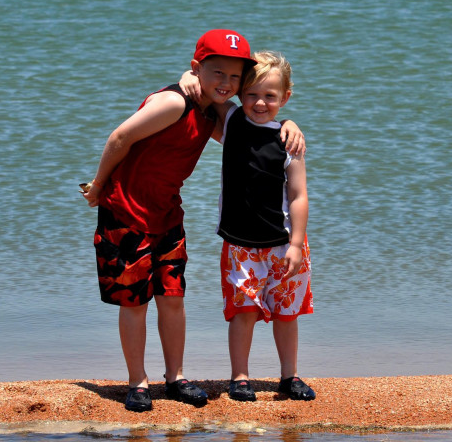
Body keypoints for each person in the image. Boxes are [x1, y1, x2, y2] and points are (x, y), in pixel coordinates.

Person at [81, 30, 304, 412]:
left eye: (235, 78)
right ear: (197, 68)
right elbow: (120, 137)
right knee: (134, 302)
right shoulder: (174, 103)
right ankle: (138, 381)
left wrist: (289, 124)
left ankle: (175, 377)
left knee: (173, 298)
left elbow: (249, 138)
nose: (226, 83)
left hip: (168, 213)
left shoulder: (211, 111)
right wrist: (99, 185)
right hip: (126, 212)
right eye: (217, 73)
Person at [180, 51, 315, 402]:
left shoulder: (289, 142)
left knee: (286, 314)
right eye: (252, 94)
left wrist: (297, 245)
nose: (260, 103)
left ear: (285, 98)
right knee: (243, 312)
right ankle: (239, 377)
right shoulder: (232, 123)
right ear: (240, 94)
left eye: (270, 96)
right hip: (240, 245)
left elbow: (298, 196)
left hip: (284, 244)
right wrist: (187, 78)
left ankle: (290, 376)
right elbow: (204, 90)